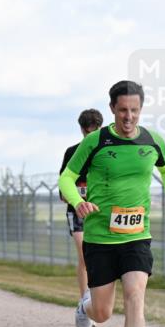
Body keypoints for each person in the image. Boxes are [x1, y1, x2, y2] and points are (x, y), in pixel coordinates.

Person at [58, 80, 165, 327]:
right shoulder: (96, 142)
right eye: (123, 110)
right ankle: (85, 306)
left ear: (141, 109)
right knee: (103, 313)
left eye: (135, 111)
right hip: (100, 236)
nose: (129, 117)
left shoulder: (152, 140)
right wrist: (77, 202)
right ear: (112, 108)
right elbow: (66, 179)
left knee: (135, 295)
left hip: (137, 235)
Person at [60, 108, 103, 301]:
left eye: (93, 133)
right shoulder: (72, 152)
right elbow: (62, 191)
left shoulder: (106, 152)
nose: (89, 137)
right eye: (86, 132)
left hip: (101, 211)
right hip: (77, 211)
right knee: (85, 256)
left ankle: (99, 298)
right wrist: (77, 198)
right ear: (81, 130)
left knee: (102, 258)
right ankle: (86, 301)